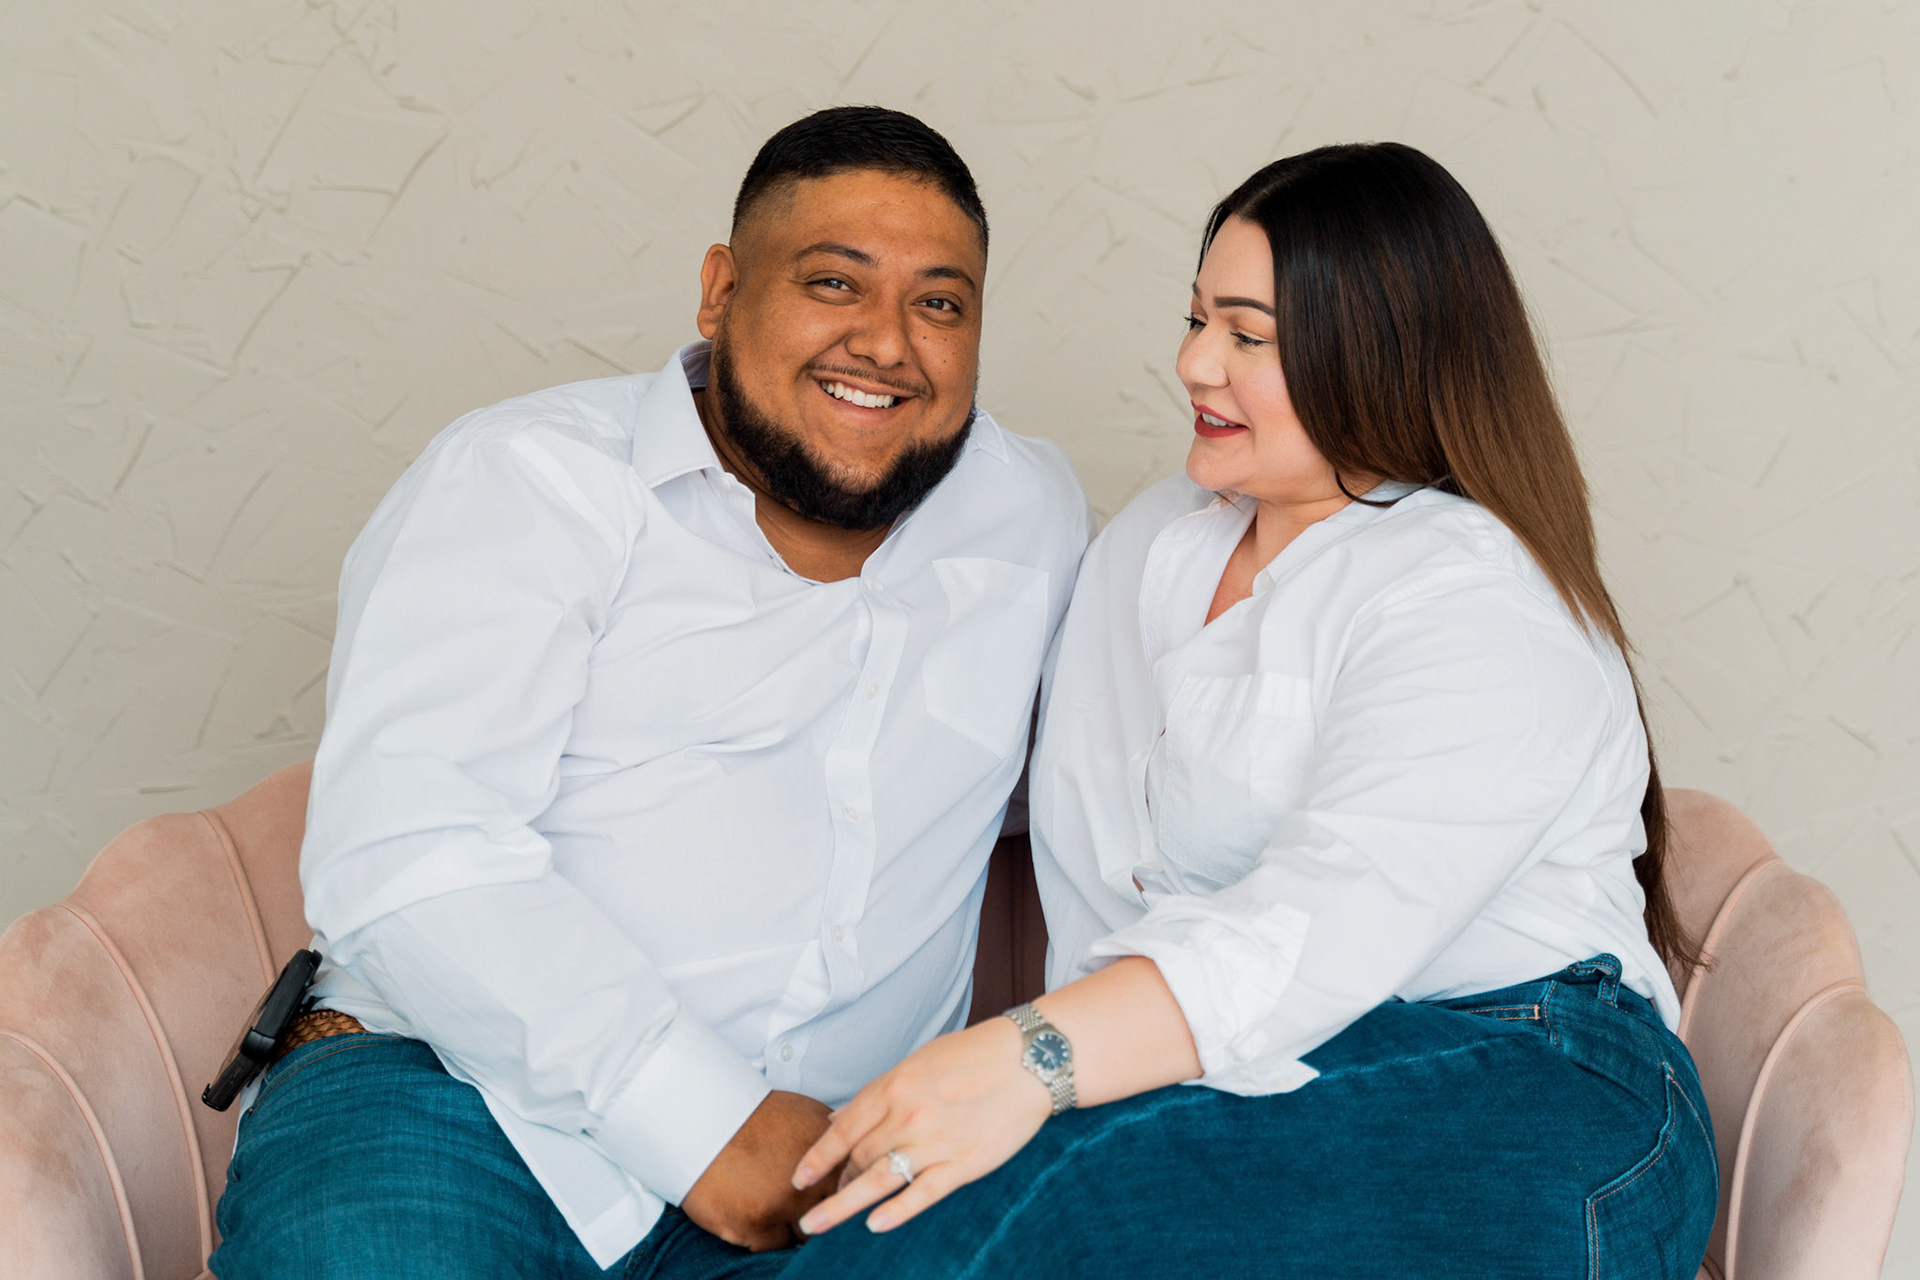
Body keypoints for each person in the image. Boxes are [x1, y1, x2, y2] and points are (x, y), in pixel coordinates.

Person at [778, 142, 1720, 1278]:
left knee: (1075, 1192)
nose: (1192, 363)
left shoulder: (1476, 598)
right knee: (951, 1191)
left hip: (1533, 1080)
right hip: (1242, 1073)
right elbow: (986, 771)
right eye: (1196, 320)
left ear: (1378, 354)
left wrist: (1026, 1057)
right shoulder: (1152, 542)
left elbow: (1320, 920)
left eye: (1248, 336)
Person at [209, 106, 1091, 1280]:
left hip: (835, 1166)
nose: (887, 342)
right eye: (834, 282)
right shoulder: (531, 480)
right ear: (721, 291)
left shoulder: (1030, 516)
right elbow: (409, 845)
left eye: (940, 303)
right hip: (449, 1099)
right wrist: (706, 1121)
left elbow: (1118, 781)